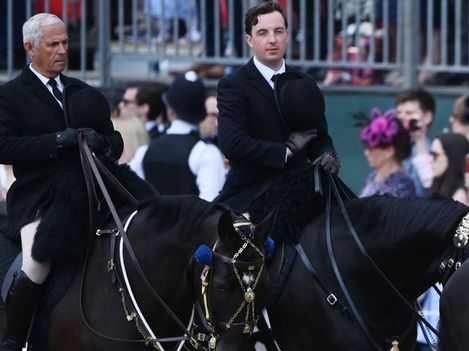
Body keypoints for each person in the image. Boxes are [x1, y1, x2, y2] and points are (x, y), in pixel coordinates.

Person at [0, 13, 124, 351]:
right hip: (39, 198)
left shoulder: (81, 91)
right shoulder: (9, 95)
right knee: (37, 260)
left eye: (65, 43)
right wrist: (58, 140)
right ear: (29, 48)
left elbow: (113, 138)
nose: (62, 51)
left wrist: (106, 144)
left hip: (89, 192)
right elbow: (4, 146)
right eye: (52, 45)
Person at [215, 1, 340, 213]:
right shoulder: (233, 84)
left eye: (278, 31)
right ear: (249, 40)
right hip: (250, 192)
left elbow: (319, 136)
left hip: (303, 189)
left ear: (287, 36)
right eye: (262, 33)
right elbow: (232, 143)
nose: (272, 40)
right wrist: (285, 151)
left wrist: (329, 154)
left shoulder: (305, 81)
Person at [129, 71, 226, 201]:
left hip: (153, 220)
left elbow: (130, 197)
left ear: (170, 111)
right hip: (193, 221)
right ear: (201, 114)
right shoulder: (207, 153)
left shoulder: (144, 152)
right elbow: (210, 207)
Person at [358, 108, 415, 198]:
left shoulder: (402, 183)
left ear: (389, 151)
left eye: (370, 149)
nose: (366, 153)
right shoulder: (371, 177)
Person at [394, 88, 436, 195]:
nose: (402, 117)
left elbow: (426, 190)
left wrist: (419, 139)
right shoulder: (393, 149)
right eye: (399, 113)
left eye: (409, 113)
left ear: (427, 117)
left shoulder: (434, 152)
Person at [427, 133, 469, 204]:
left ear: (452, 156)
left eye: (435, 155)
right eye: (431, 154)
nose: (430, 160)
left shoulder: (459, 196)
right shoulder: (438, 184)